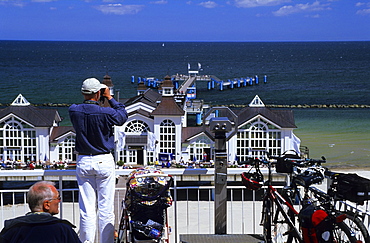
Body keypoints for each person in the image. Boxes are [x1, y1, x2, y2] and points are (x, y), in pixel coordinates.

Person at [69, 78, 128, 243]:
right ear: (98, 93)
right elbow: (122, 116)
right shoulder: (106, 113)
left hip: (83, 161)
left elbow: (83, 109)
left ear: (83, 92)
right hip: (103, 159)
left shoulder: (74, 111)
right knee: (105, 208)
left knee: (87, 208)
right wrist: (110, 97)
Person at [0, 181, 81, 243]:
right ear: (46, 205)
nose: (60, 201)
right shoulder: (63, 229)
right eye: (58, 198)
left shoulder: (12, 228)